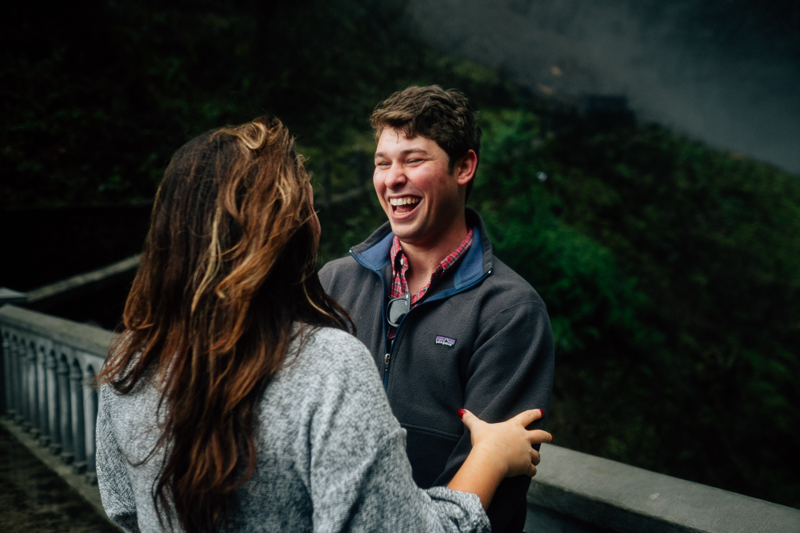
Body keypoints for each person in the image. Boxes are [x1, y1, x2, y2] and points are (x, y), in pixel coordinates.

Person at [94, 117, 553, 533]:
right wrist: (490, 459)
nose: (317, 221)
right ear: (284, 232)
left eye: (414, 159)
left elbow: (124, 507)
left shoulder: (131, 362)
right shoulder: (330, 364)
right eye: (308, 208)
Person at [319, 86, 555, 532]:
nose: (392, 178)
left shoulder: (510, 313)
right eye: (382, 162)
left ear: (464, 166)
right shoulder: (334, 283)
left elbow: (489, 493)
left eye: (413, 159)